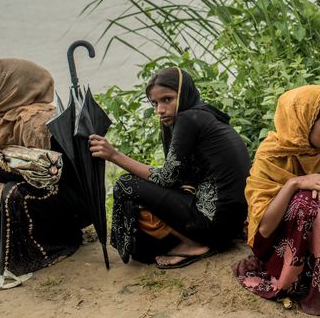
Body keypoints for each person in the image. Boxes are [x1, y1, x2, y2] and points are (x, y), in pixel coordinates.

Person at [89, 67, 250, 268]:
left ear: (184, 94)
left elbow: (166, 178)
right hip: (230, 225)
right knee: (149, 185)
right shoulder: (203, 115)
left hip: (214, 226)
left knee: (126, 183)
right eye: (155, 103)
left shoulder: (188, 119)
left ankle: (195, 243)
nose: (160, 110)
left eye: (167, 99)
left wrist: (114, 155)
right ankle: (192, 239)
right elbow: (179, 177)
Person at [234, 85, 320, 317]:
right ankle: (292, 278)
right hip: (275, 245)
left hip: (314, 236)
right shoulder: (271, 155)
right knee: (306, 201)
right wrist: (294, 184)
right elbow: (265, 228)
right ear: (304, 123)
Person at [0, 59, 90, 290]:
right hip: (35, 185)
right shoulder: (7, 117)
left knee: (14, 192)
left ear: (13, 87)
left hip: (61, 199)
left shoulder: (36, 122)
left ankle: (49, 246)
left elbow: (39, 175)